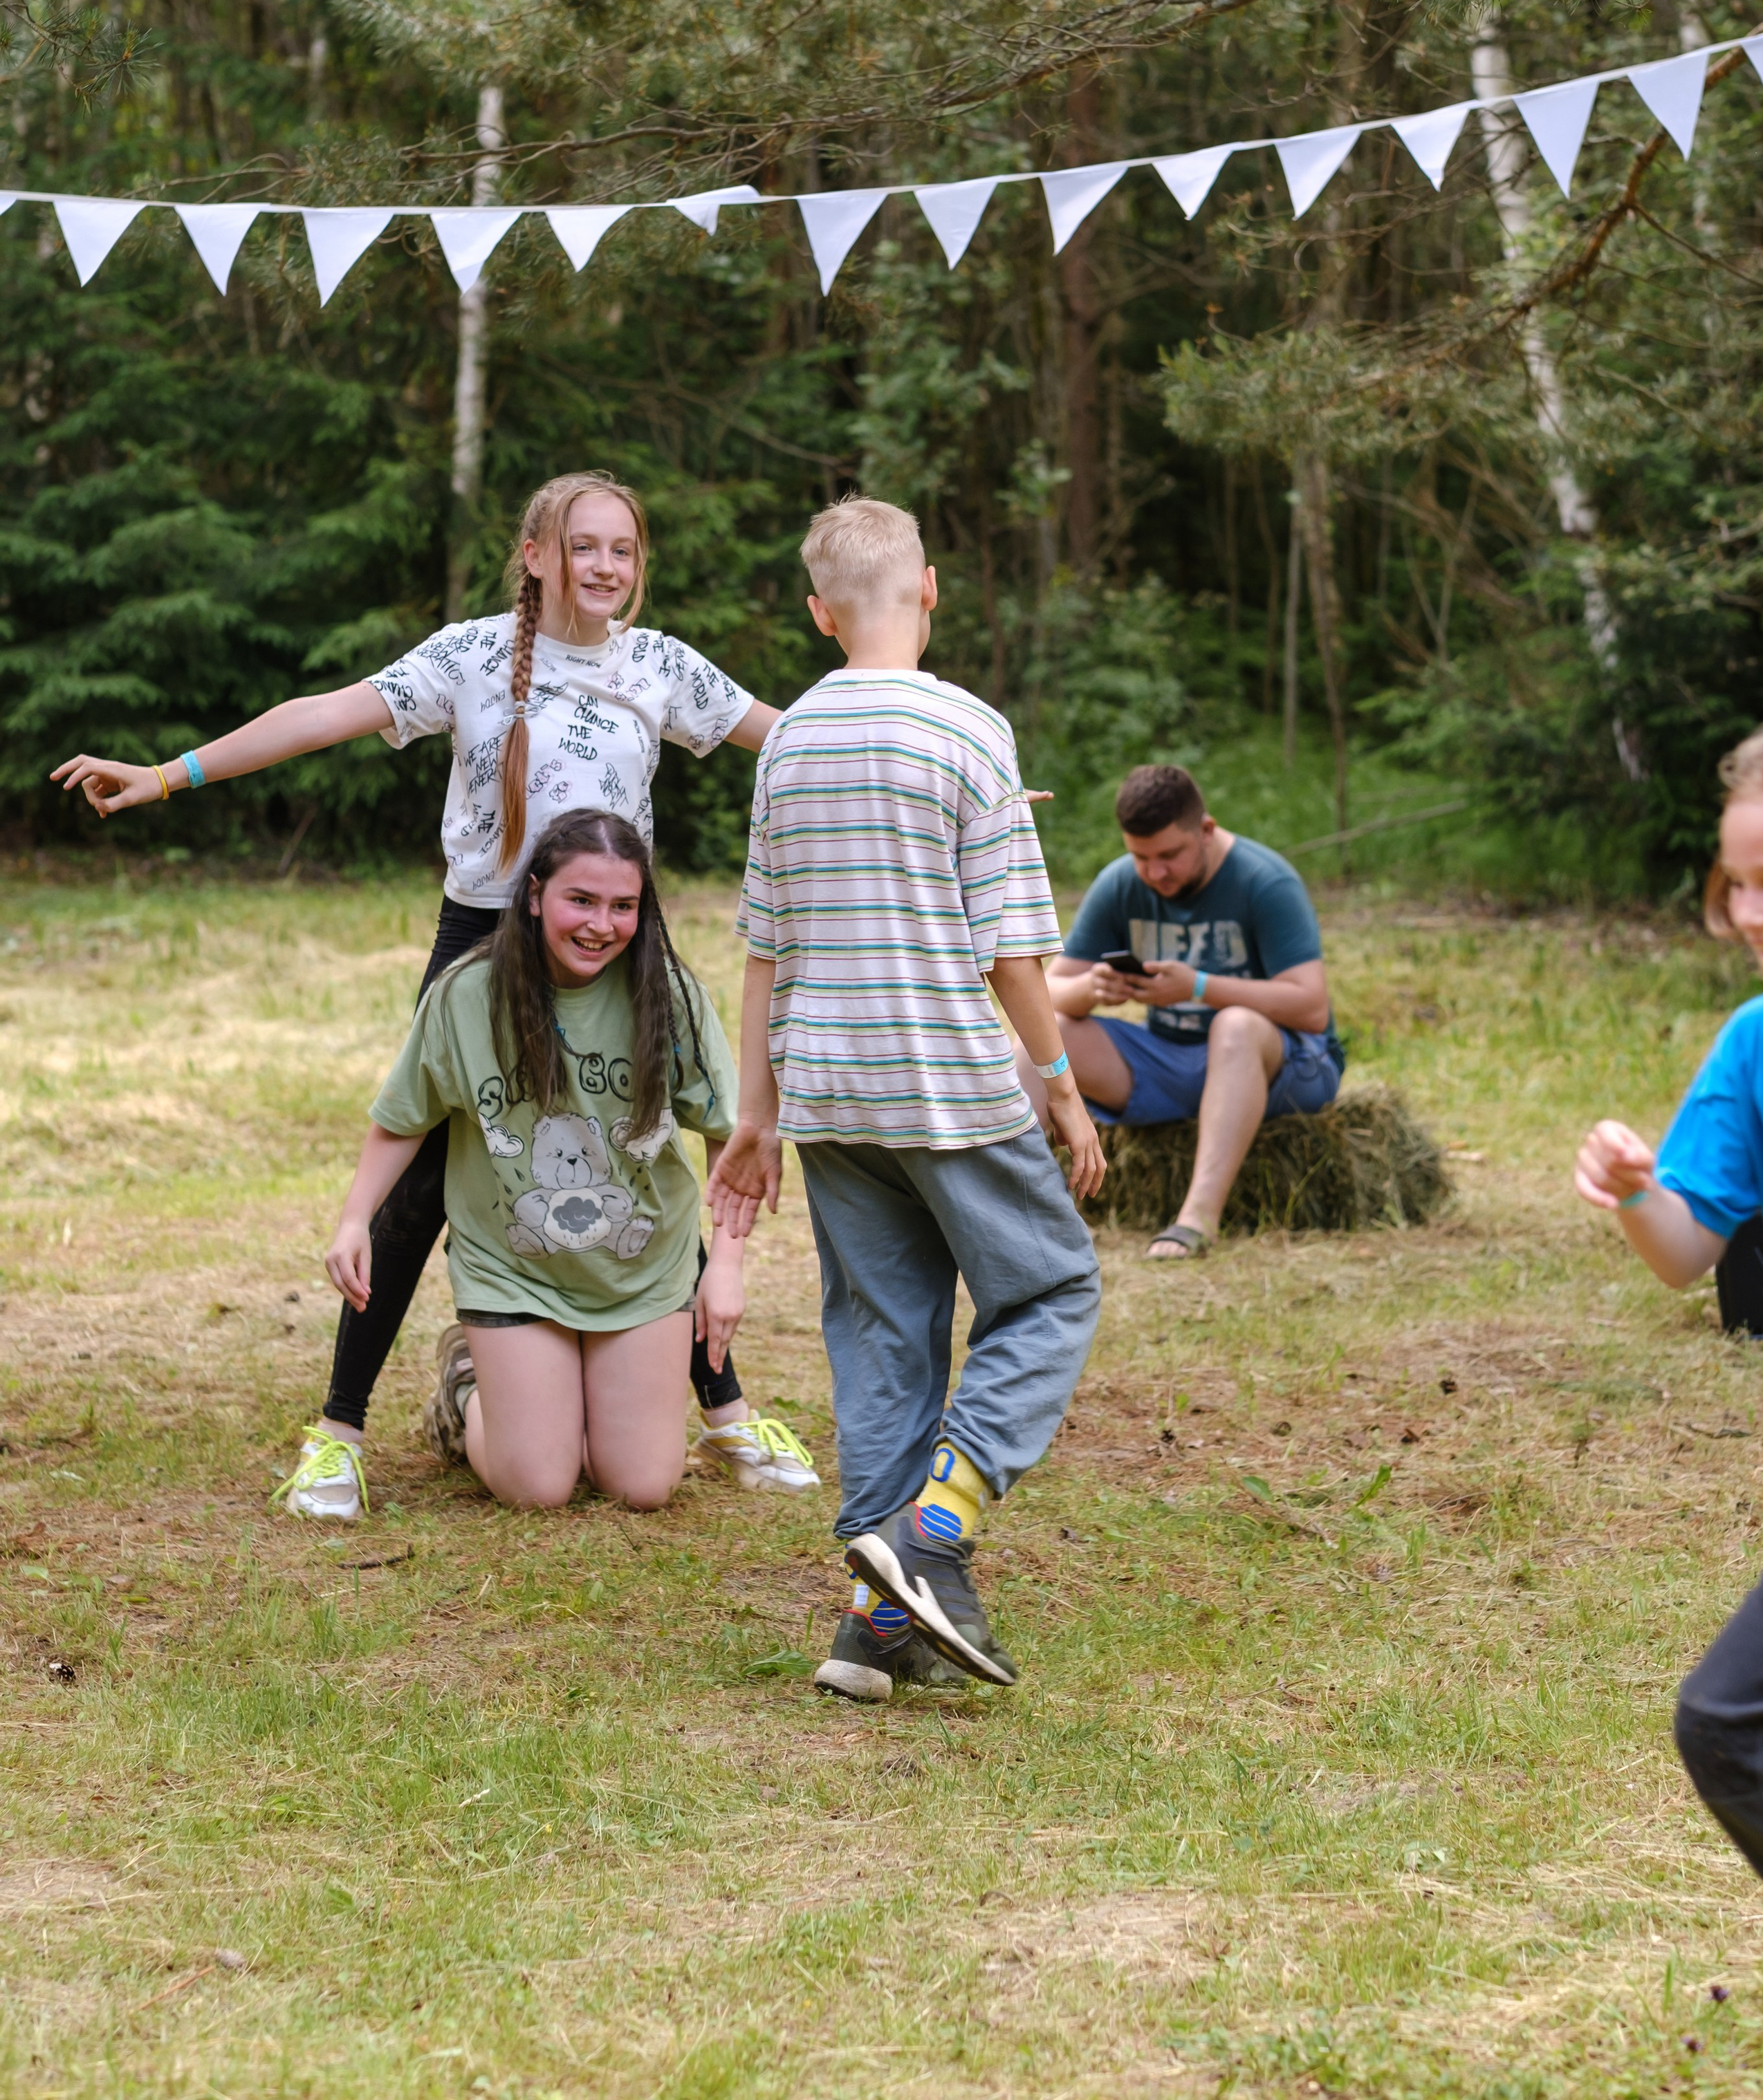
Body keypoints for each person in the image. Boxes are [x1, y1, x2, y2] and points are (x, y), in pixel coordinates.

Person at [50, 469, 819, 1514]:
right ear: (535, 557)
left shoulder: (659, 666)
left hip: (616, 939)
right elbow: (321, 715)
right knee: (418, 1184)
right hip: (487, 942)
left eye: (623, 550)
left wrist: (945, 767)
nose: (605, 567)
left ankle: (724, 1411)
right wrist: (169, 773)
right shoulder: (469, 657)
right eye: (583, 546)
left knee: (636, 1162)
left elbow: (798, 736)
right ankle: (339, 1432)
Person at [708, 496, 1105, 1703]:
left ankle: (877, 1628)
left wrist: (757, 1115)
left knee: (884, 1335)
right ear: (930, 588)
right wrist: (1061, 1087)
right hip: (947, 1085)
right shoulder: (969, 729)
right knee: (1052, 1289)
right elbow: (1011, 952)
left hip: (829, 1092)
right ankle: (939, 1525)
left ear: (819, 613)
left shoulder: (788, 744)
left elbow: (764, 948)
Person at [315, 808, 741, 1509]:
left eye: (623, 906)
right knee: (538, 1487)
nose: (601, 925)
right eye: (582, 900)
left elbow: (728, 1134)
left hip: (641, 1269)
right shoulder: (466, 993)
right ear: (536, 895)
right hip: (512, 1268)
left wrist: (723, 1265)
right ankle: (466, 1386)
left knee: (641, 1485)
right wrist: (355, 1219)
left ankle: (564, 1403)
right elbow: (402, 1119)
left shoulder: (669, 995)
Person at [1573, 723, 1763, 1884]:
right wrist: (1635, 1190)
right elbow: (1687, 1253)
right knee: (1728, 1728)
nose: (1750, 914)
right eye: (1736, 885)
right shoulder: (1756, 1044)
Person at [1015, 762, 1342, 1259]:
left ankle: (1197, 1221)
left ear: (1207, 830)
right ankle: (1004, 1210)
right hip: (1172, 1061)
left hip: (1286, 1069)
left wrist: (1200, 987)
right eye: (1141, 857)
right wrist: (1092, 987)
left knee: (1236, 1026)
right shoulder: (1120, 883)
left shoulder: (1266, 880)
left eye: (1169, 855)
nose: (1155, 873)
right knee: (1047, 1034)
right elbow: (1050, 993)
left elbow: (1312, 1007)